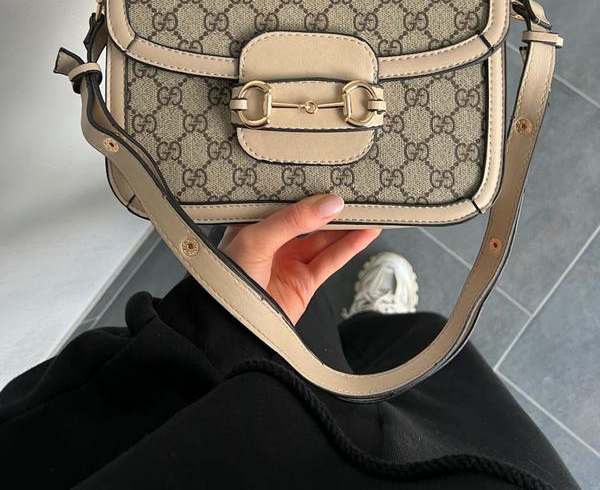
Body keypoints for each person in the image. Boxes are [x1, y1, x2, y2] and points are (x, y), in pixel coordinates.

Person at [0, 194, 579, 489]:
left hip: (239, 419)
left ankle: (357, 341)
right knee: (414, 363)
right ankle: (370, 337)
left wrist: (219, 328)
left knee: (302, 331)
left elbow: (34, 457)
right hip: (473, 468)